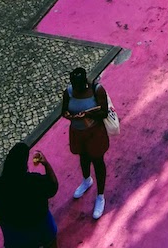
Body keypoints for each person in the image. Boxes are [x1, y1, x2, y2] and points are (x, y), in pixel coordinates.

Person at [61, 67, 110, 221]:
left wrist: (88, 113)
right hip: (77, 131)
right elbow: (63, 110)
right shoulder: (68, 92)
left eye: (79, 86)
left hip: (94, 132)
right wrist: (68, 115)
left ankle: (100, 196)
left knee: (97, 161)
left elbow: (104, 112)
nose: (77, 90)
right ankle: (86, 179)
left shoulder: (97, 90)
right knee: (83, 156)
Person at [0, 142, 59, 248]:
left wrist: (1, 217)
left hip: (14, 233)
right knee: (50, 241)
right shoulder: (34, 181)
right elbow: (53, 187)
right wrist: (45, 163)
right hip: (40, 226)